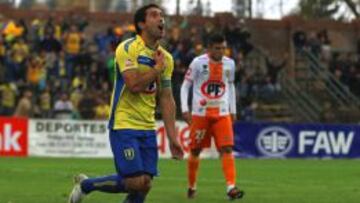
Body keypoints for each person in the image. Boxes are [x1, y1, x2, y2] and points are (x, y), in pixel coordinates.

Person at [68, 4, 184, 203]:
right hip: (124, 124)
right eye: (155, 15)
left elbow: (166, 97)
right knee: (135, 182)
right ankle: (86, 186)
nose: (161, 19)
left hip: (147, 127)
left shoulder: (166, 59)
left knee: (145, 184)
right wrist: (156, 70)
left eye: (162, 15)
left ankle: (86, 185)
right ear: (141, 24)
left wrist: (173, 137)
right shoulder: (127, 48)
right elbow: (133, 85)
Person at [180, 33, 244, 200]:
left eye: (223, 48)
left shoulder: (230, 64)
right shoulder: (198, 63)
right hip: (200, 114)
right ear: (209, 48)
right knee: (195, 150)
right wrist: (185, 109)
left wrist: (233, 110)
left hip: (222, 114)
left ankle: (231, 187)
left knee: (227, 148)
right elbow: (185, 86)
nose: (221, 51)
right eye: (217, 48)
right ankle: (192, 186)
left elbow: (230, 86)